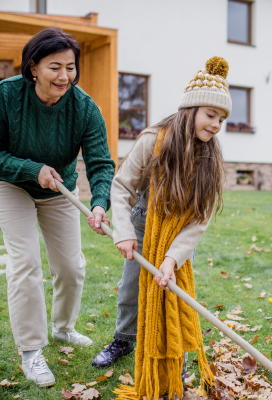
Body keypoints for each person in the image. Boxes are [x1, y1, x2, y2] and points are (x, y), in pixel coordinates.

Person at [0, 27, 116, 387]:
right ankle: (31, 352)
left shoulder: (83, 107)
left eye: (70, 67)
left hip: (58, 190)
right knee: (26, 261)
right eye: (55, 67)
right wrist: (30, 169)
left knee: (71, 266)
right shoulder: (5, 96)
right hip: (9, 184)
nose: (64, 76)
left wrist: (100, 203)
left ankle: (63, 328)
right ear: (33, 66)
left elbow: (100, 162)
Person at [91, 57, 230, 392]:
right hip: (143, 224)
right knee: (131, 289)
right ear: (191, 109)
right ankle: (123, 340)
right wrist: (123, 232)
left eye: (223, 119)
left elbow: (200, 219)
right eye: (211, 115)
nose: (216, 125)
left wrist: (171, 258)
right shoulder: (153, 140)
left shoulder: (211, 157)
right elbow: (122, 186)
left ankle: (174, 362)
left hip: (180, 233)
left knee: (176, 295)